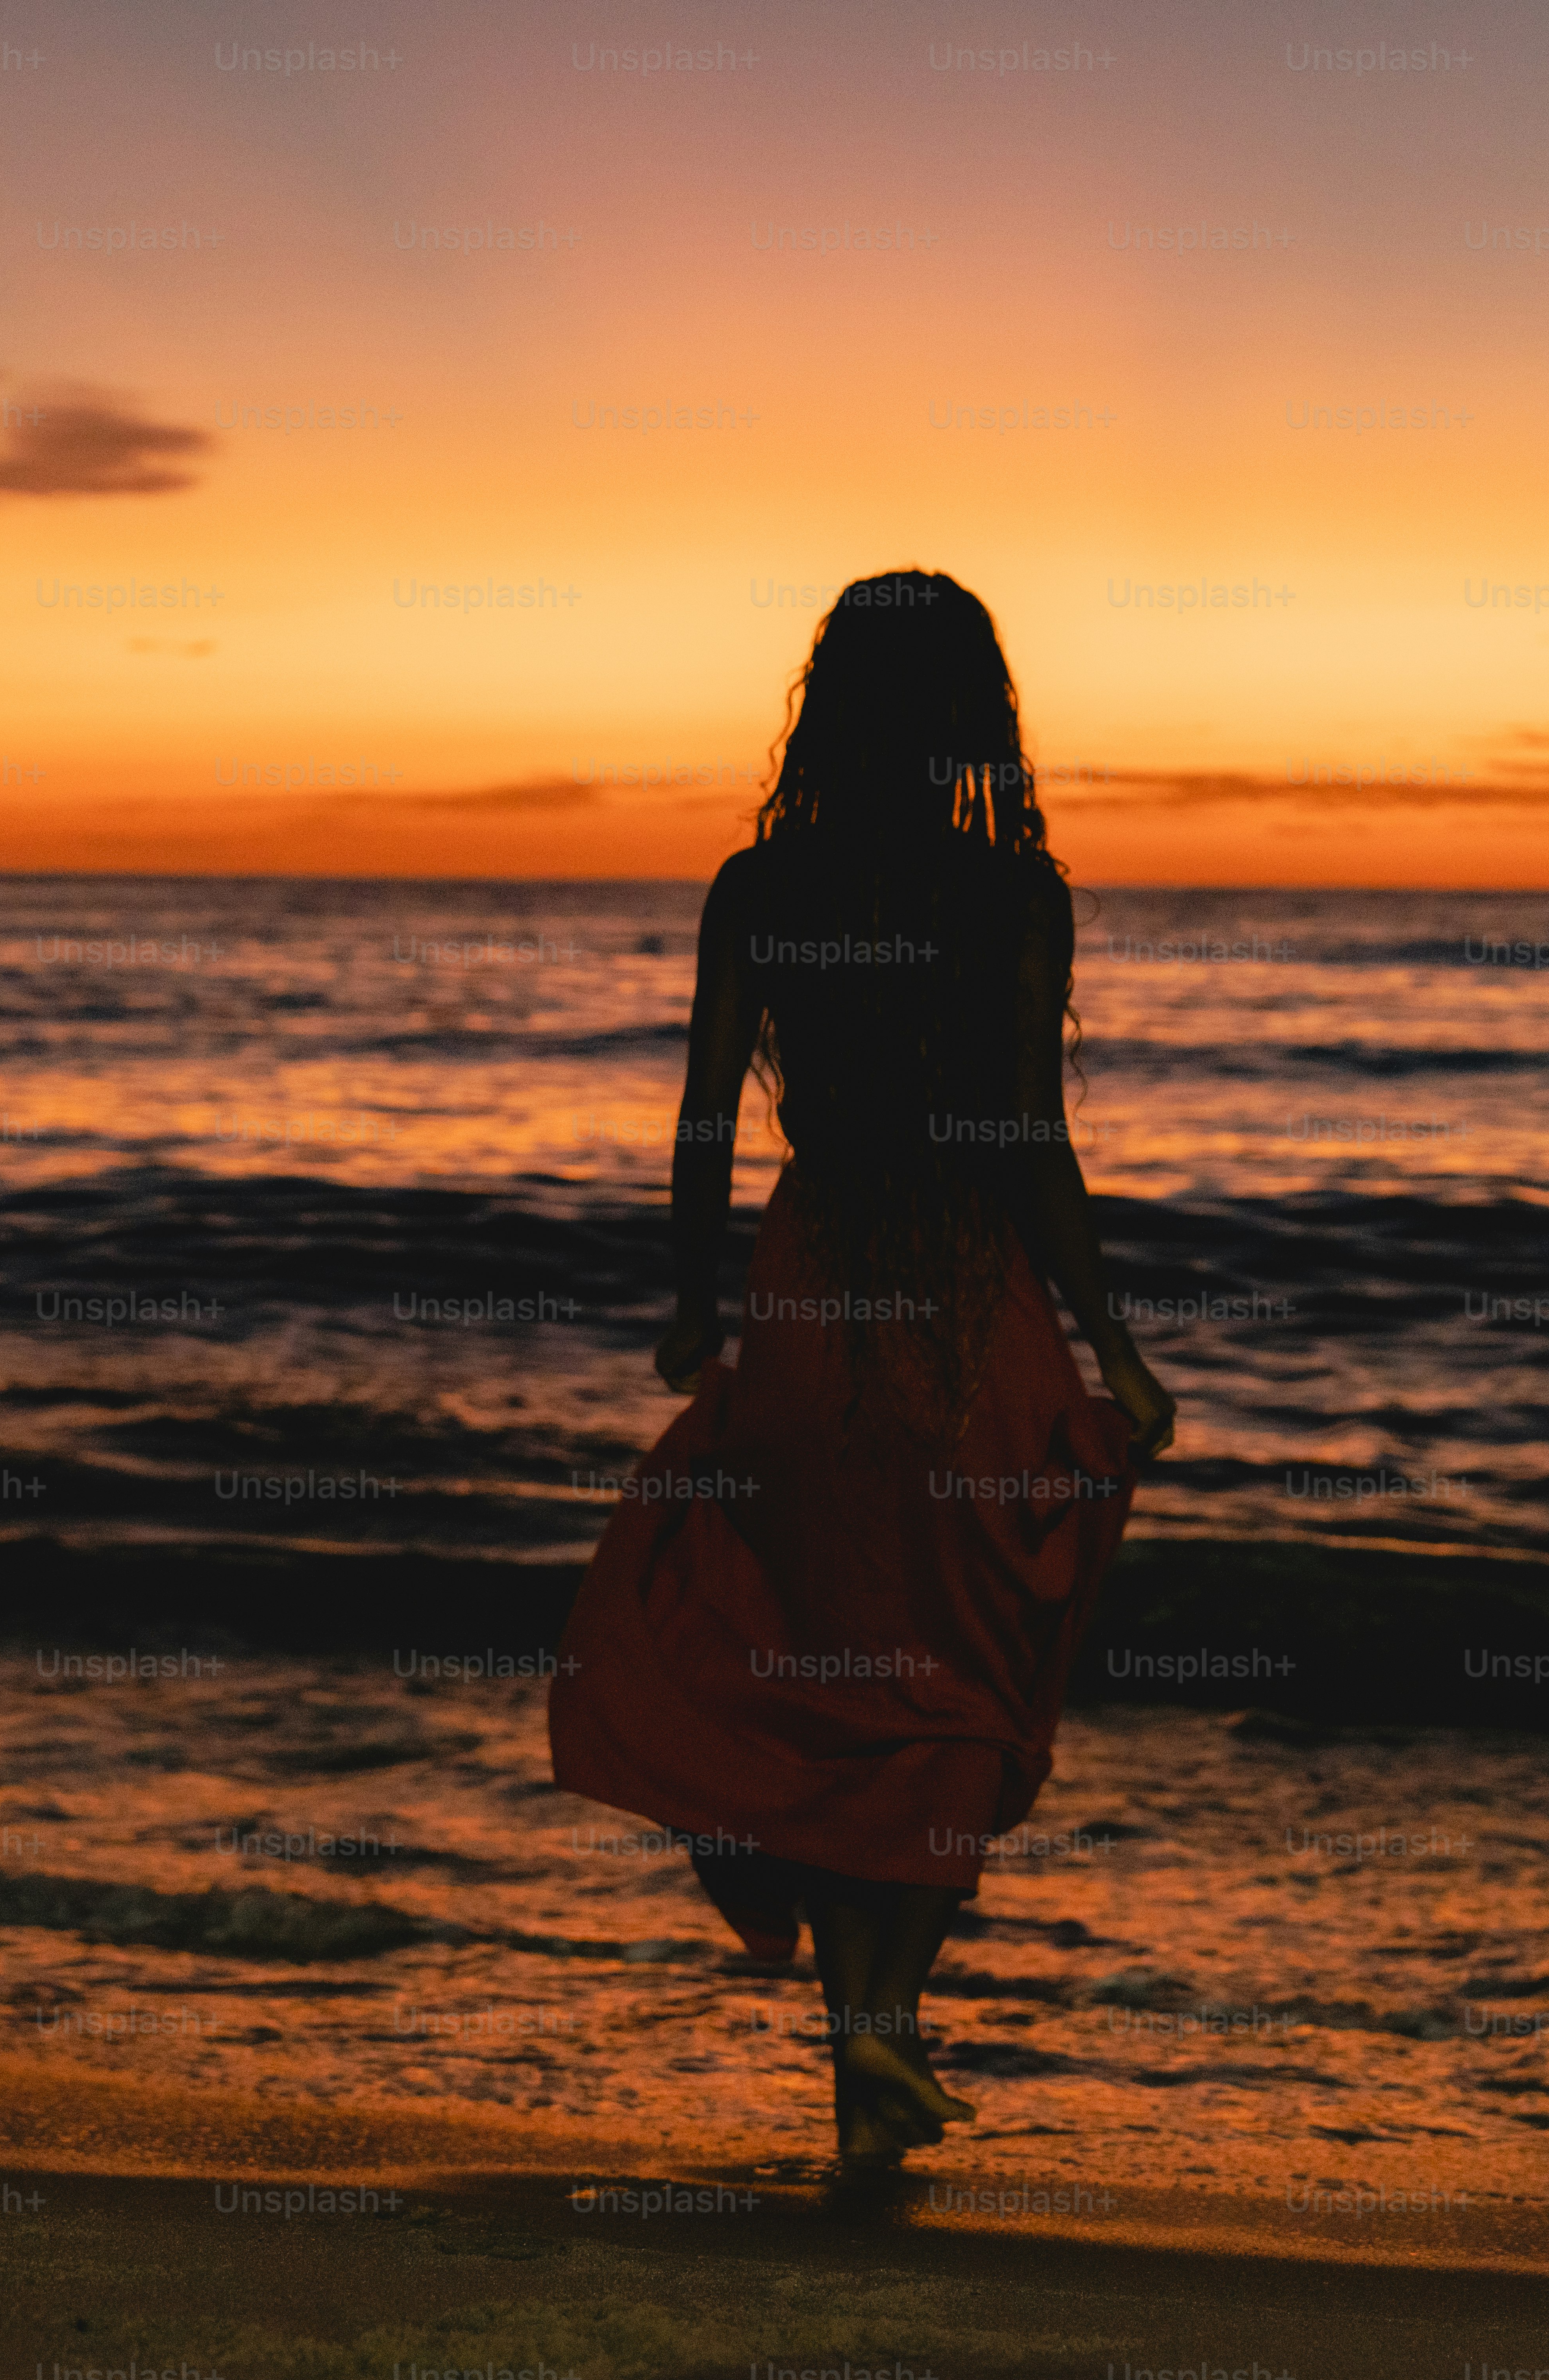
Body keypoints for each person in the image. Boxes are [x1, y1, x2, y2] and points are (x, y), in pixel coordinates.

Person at [549, 568, 1177, 2167]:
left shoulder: (761, 890)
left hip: (815, 1291)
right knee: (959, 1673)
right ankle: (878, 2036)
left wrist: (698, 1302)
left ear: (824, 709)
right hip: (967, 1305)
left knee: (825, 1673)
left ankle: (867, 2065)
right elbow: (1033, 1143)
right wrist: (1113, 1346)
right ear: (979, 722)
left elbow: (700, 1122)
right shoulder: (1013, 899)